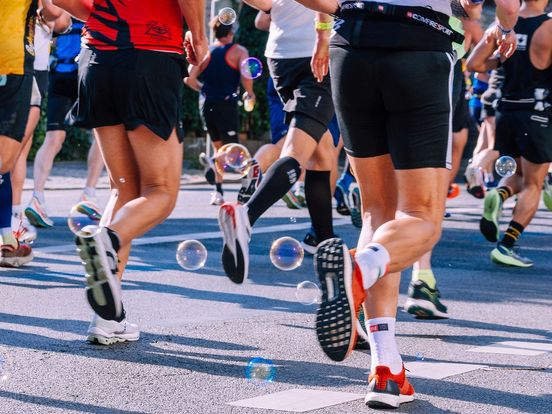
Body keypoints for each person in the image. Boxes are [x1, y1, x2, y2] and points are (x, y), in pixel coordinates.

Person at [295, 0, 518, 408]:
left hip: (351, 47)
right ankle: (354, 273)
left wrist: (338, 14)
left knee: (376, 213)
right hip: (419, 46)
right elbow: (502, 5)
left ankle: (387, 371)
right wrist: (505, 30)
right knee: (421, 218)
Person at [52, 0, 207, 344]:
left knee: (124, 190)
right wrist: (198, 35)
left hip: (96, 57)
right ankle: (105, 241)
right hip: (150, 50)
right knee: (161, 192)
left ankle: (107, 318)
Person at [218, 0, 339, 284]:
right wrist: (323, 35)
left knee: (322, 153)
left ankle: (325, 245)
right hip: (317, 52)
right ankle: (245, 218)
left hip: (280, 56)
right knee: (298, 150)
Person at [468, 0, 551, 268]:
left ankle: (499, 195)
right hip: (537, 111)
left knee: (517, 174)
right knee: (533, 184)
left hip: (504, 110)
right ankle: (507, 245)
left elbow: (474, 64)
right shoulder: (549, 26)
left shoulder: (503, 25)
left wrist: (503, 59)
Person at [0, 0, 65, 267]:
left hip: (16, 60)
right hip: (12, 60)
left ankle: (7, 236)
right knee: (5, 159)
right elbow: (56, 15)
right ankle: (6, 235)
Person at [24, 17, 104, 229]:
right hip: (86, 72)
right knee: (101, 134)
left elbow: (53, 31)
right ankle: (89, 194)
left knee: (54, 138)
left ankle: (37, 197)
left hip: (60, 72)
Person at [184, 18, 256, 206]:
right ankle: (218, 164)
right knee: (232, 150)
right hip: (226, 104)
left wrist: (203, 90)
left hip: (207, 104)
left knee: (220, 148)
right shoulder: (239, 51)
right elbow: (246, 75)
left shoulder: (206, 52)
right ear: (231, 32)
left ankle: (218, 193)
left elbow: (189, 78)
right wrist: (250, 93)